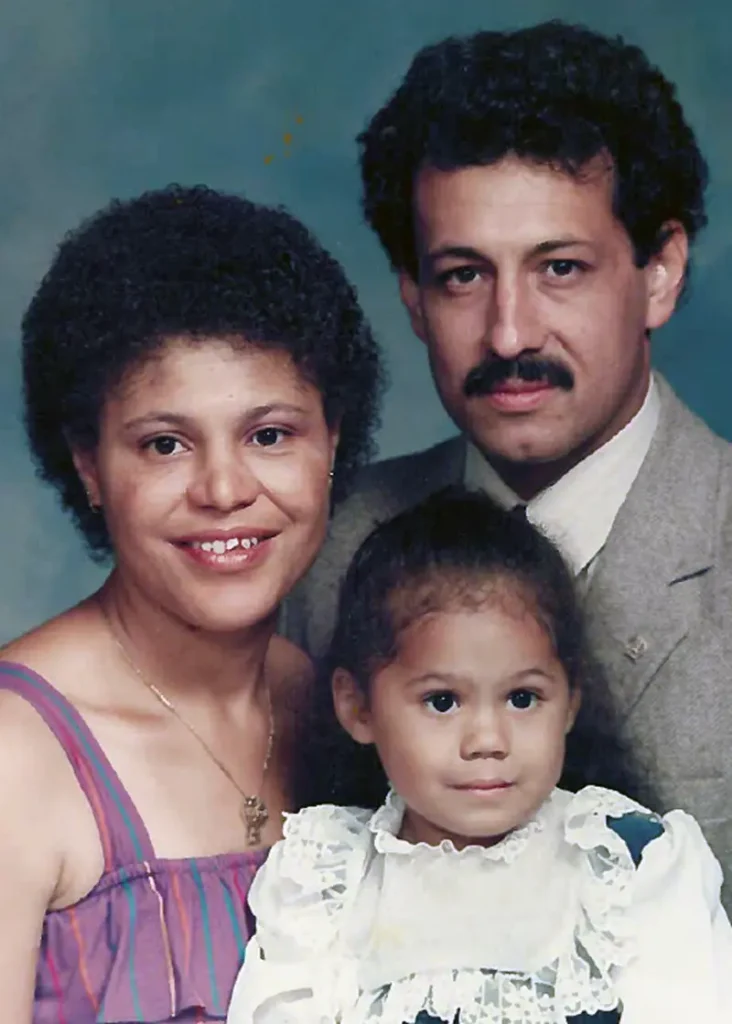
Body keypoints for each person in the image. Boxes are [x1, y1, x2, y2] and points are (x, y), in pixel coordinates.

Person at [282, 20, 732, 905]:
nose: (510, 333)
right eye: (462, 276)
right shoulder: (330, 543)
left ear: (661, 272)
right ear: (412, 295)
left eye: (559, 268)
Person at [0, 184, 382, 1023]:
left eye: (269, 435)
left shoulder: (346, 709)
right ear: (90, 467)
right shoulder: (14, 756)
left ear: (334, 444)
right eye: (164, 444)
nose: (223, 490)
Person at [233, 490, 732, 1024]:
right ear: (358, 708)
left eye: (523, 698)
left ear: (570, 702)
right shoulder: (323, 882)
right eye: (442, 702)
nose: (488, 740)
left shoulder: (633, 866)